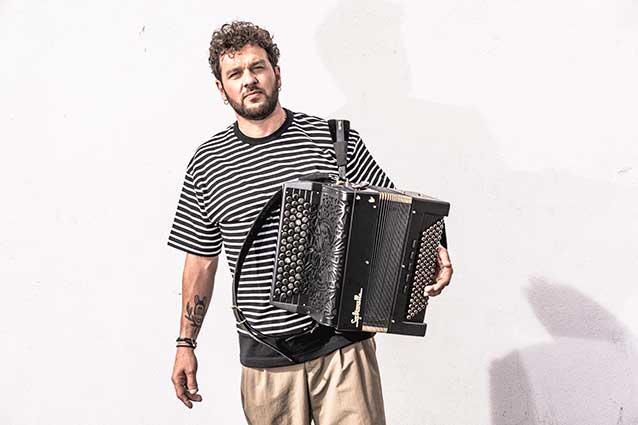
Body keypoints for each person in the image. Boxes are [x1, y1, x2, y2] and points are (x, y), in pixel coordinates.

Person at [167, 21, 454, 425]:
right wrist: (185, 343)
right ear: (221, 87)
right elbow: (200, 260)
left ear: (277, 73)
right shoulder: (207, 163)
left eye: (258, 67)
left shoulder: (333, 140)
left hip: (341, 350)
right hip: (265, 359)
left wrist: (435, 248)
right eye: (235, 73)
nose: (249, 80)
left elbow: (396, 212)